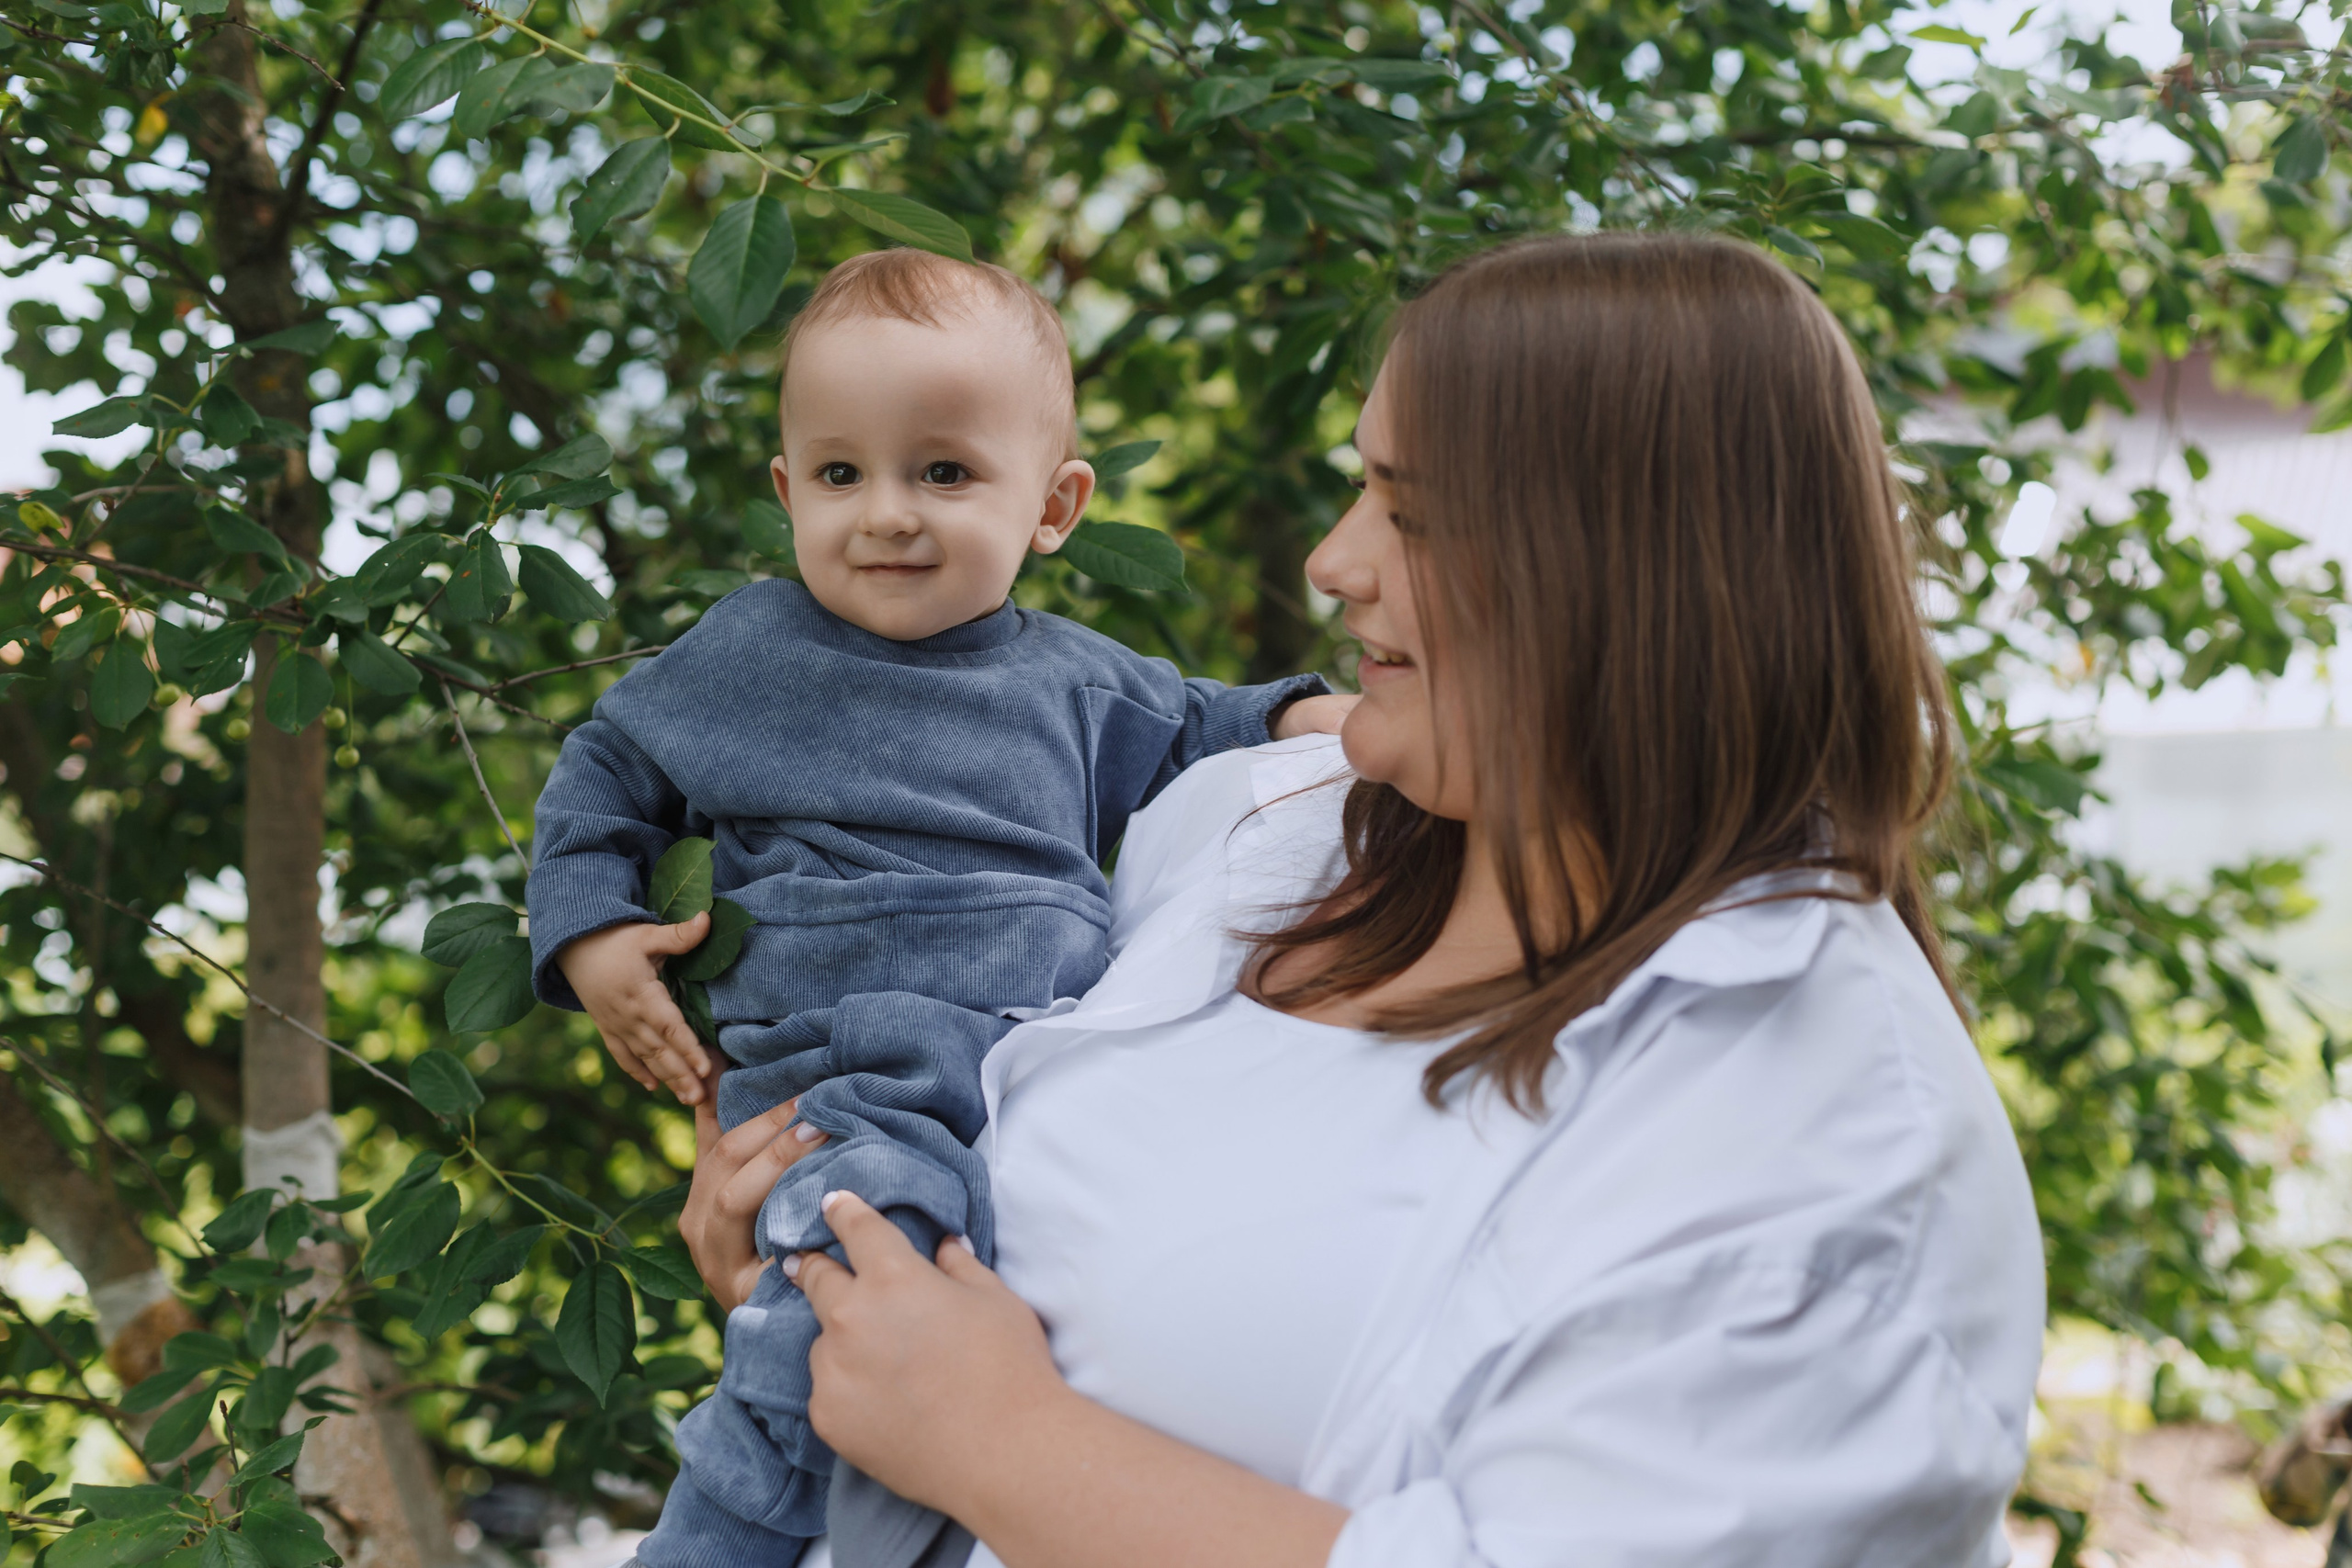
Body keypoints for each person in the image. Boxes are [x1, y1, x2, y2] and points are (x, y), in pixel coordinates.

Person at [675, 231, 2049, 1568]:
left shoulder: (1833, 1133)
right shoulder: (1249, 832)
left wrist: (995, 1441)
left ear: (1635, 571)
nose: (1334, 563)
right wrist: (821, 1274)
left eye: (1414, 514)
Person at [525, 249, 1351, 1568]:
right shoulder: (746, 653)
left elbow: (1211, 720)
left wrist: (1321, 713)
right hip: (839, 1062)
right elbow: (605, 771)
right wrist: (589, 931)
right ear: (788, 492)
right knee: (849, 1300)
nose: (888, 515)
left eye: (945, 473)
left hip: (1023, 1061)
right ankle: (713, 1539)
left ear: (1055, 506)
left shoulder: (1079, 682)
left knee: (1001, 1324)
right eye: (842, 475)